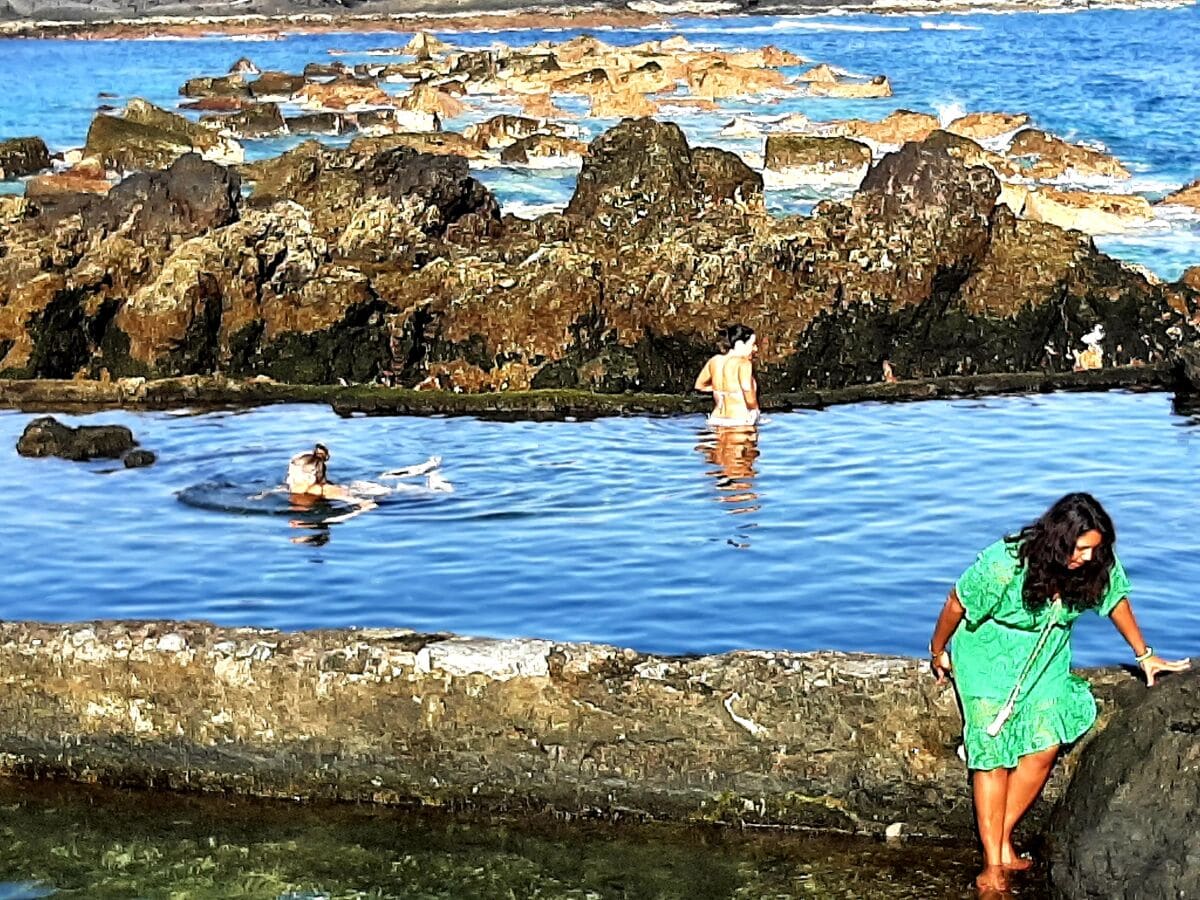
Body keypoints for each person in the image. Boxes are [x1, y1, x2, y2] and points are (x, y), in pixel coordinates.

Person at [928, 493, 1190, 894]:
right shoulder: (1005, 564)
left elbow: (1115, 599)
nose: (1087, 557)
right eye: (1080, 547)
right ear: (1058, 539)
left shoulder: (1094, 562)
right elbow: (956, 603)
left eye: (1094, 549)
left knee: (1045, 741)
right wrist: (938, 651)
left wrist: (1146, 656)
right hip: (988, 651)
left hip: (1044, 656)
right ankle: (992, 864)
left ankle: (999, 844)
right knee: (992, 753)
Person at [694, 323, 759, 428]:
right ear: (740, 344)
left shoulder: (715, 361)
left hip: (715, 420)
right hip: (739, 420)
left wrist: (720, 389)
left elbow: (699, 385)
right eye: (752, 344)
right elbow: (747, 388)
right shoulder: (743, 363)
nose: (755, 349)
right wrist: (754, 410)